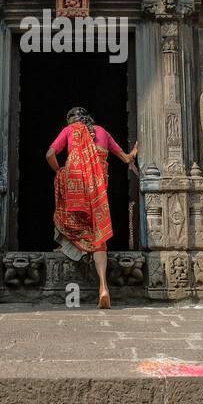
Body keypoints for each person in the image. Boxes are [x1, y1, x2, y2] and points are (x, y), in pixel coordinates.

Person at [46, 106, 138, 309]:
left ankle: (70, 247)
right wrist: (135, 151)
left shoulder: (70, 130)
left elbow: (49, 154)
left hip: (76, 187)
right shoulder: (103, 132)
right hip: (98, 189)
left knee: (62, 215)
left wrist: (60, 171)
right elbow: (125, 158)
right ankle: (103, 287)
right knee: (99, 236)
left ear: (71, 120)